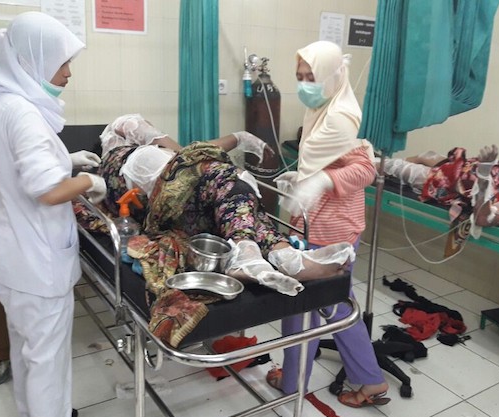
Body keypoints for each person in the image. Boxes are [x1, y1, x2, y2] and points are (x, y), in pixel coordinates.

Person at [0, 12, 106, 417]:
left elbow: (10, 162)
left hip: (9, 257)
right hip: (36, 266)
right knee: (47, 360)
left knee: (27, 349)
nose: (67, 73)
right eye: (62, 62)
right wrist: (89, 182)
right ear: (33, 60)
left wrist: (66, 159)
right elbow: (47, 191)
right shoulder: (25, 113)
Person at [96, 114, 355, 296]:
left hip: (163, 202)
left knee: (229, 195)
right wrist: (230, 141)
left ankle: (282, 254)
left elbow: (190, 157)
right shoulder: (120, 137)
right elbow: (182, 153)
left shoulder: (155, 159)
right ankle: (259, 254)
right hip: (136, 172)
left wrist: (238, 139)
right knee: (228, 177)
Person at [267, 40, 391, 408]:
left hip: (332, 232)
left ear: (332, 75)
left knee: (303, 307)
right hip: (315, 226)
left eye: (312, 77)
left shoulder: (340, 117)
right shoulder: (321, 111)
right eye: (300, 77)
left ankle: (293, 382)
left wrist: (322, 181)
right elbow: (323, 161)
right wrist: (301, 180)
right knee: (335, 304)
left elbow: (365, 169)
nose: (305, 85)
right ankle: (369, 380)